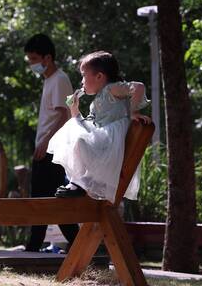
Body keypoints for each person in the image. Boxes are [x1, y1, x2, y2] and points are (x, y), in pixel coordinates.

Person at [48, 50, 150, 202]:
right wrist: (74, 109)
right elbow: (87, 127)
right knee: (77, 136)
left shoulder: (111, 89)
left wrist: (132, 112)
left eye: (84, 75)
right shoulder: (95, 103)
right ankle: (78, 183)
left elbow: (139, 87)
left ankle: (79, 184)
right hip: (102, 145)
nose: (81, 81)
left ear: (99, 76)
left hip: (110, 145)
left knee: (80, 141)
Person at [23, 33, 79, 252]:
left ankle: (34, 247)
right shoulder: (50, 80)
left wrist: (45, 143)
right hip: (49, 149)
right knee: (53, 202)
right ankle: (78, 245)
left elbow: (62, 116)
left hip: (52, 150)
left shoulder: (60, 79)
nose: (31, 64)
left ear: (47, 58)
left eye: (34, 59)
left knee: (42, 201)